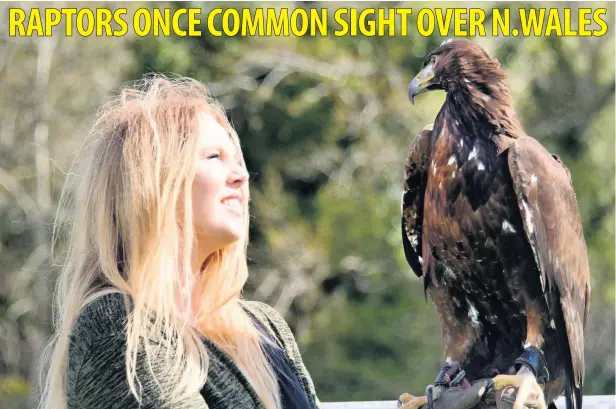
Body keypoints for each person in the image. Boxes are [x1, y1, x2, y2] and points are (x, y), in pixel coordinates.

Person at [36, 74, 536, 409]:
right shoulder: (118, 326)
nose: (240, 176)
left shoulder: (264, 329)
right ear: (151, 184)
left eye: (238, 159)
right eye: (214, 158)